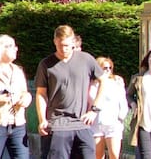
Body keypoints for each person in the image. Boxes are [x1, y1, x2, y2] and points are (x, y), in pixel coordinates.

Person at [36, 25, 110, 159]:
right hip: (58, 124)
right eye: (60, 45)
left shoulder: (86, 59)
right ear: (55, 42)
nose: (63, 49)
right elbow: (41, 94)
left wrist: (94, 110)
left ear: (73, 42)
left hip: (82, 123)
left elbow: (104, 81)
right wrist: (42, 119)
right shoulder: (46, 64)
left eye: (67, 45)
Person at [91, 56, 127, 159]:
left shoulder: (116, 82)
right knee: (97, 155)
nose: (107, 70)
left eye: (109, 67)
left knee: (114, 155)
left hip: (113, 123)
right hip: (96, 123)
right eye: (104, 67)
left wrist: (121, 117)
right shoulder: (92, 84)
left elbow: (123, 100)